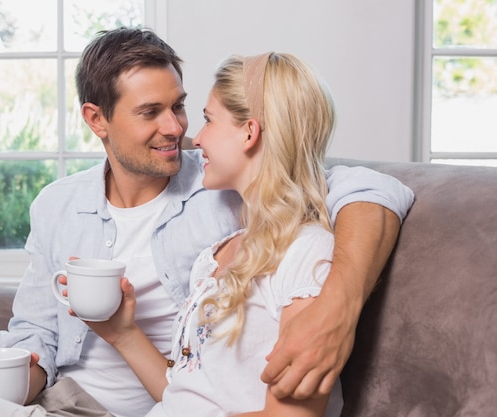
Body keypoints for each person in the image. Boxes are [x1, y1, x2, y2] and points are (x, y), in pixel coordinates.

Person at [0, 27, 413, 417]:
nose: (180, 131)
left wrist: (340, 302)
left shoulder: (228, 197)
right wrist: (6, 378)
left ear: (249, 133)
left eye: (187, 110)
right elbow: (41, 333)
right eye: (150, 112)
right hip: (67, 399)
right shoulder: (64, 207)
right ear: (98, 120)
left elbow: (367, 188)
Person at [83, 50, 345, 417]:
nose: (195, 137)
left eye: (208, 120)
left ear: (249, 133)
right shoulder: (219, 253)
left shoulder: (307, 252)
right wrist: (122, 333)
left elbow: (293, 415)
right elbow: (185, 395)